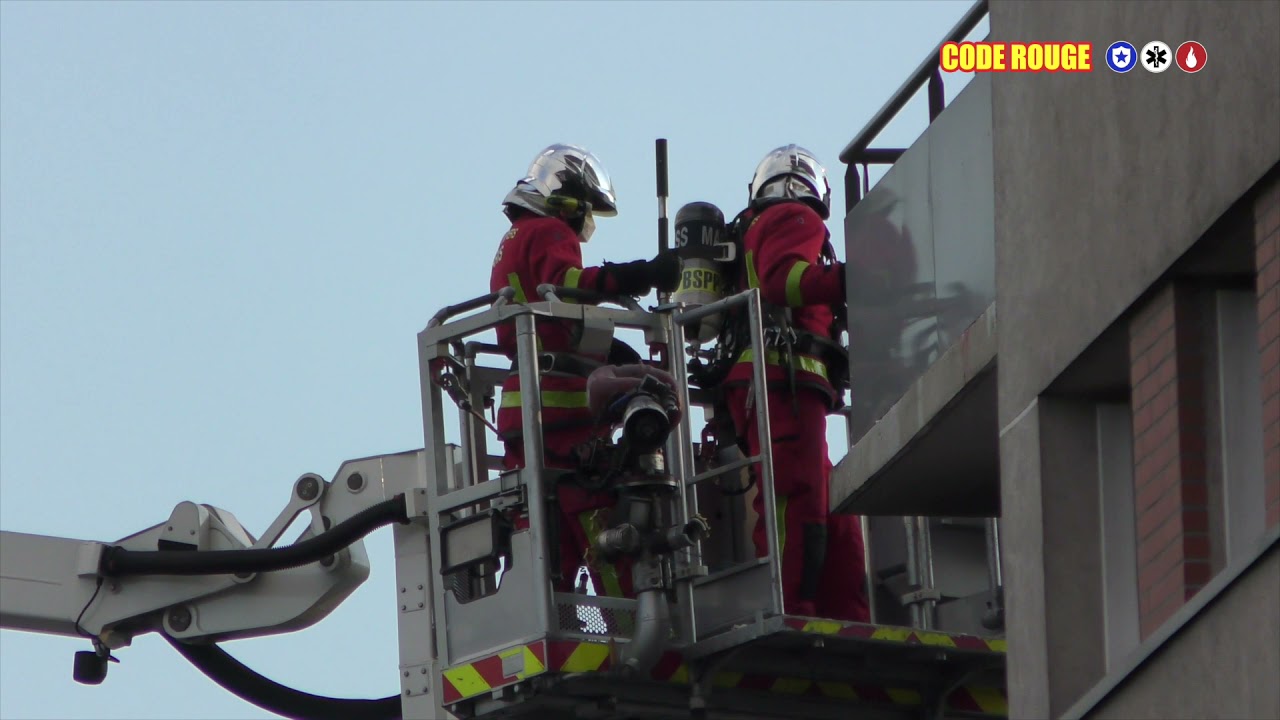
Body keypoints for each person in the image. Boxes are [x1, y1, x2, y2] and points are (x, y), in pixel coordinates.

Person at [490, 143, 680, 598]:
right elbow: (568, 287)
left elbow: (547, 316)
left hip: (523, 409)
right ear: (567, 197)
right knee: (600, 525)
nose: (586, 224)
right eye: (587, 209)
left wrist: (609, 349)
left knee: (539, 534)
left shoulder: (515, 239)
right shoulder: (552, 231)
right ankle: (629, 622)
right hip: (562, 415)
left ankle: (542, 611)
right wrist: (640, 274)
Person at [721, 145, 869, 621]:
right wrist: (856, 277)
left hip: (786, 387)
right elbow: (785, 281)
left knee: (834, 507)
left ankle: (847, 612)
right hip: (784, 382)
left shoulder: (758, 226)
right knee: (798, 496)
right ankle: (792, 608)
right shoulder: (795, 217)